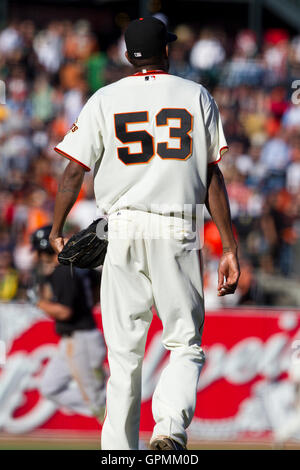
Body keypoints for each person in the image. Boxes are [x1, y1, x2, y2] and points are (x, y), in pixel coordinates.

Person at [49, 17, 240, 450]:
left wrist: (57, 228)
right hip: (181, 224)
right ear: (167, 51)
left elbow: (72, 172)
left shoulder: (104, 98)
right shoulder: (195, 94)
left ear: (126, 56)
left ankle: (118, 453)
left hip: (122, 227)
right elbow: (212, 176)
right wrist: (229, 244)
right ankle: (170, 429)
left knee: (123, 358)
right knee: (185, 342)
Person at [29, 225, 106, 420]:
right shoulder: (78, 266)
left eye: (38, 251)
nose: (37, 257)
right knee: (50, 387)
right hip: (75, 340)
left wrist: (38, 302)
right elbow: (97, 289)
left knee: (96, 402)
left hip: (81, 340)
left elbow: (64, 312)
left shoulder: (63, 271)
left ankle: (131, 442)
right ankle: (103, 407)